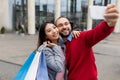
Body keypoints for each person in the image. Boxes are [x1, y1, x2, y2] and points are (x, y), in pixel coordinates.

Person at [55, 4, 119, 80]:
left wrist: (109, 24)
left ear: (70, 25)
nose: (64, 27)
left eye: (66, 24)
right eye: (60, 25)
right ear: (56, 29)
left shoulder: (81, 37)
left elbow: (97, 33)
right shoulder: (58, 46)